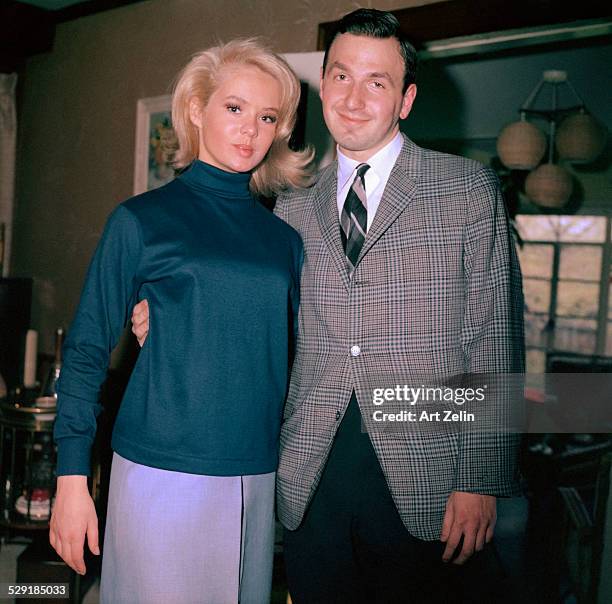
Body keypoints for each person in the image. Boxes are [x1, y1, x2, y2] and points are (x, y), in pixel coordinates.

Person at [133, 8, 525, 602]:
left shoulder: (466, 188)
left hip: (426, 480)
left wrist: (480, 481)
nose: (354, 96)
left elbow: (493, 338)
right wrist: (172, 319)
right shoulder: (291, 203)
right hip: (309, 476)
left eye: (378, 82)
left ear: (406, 99)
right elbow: (267, 328)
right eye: (341, 76)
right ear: (323, 85)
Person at [50, 38, 312, 604]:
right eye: (235, 108)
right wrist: (71, 478)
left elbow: (287, 355)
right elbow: (89, 349)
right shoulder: (140, 221)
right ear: (197, 110)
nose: (250, 129)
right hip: (161, 470)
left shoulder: (285, 242)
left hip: (255, 471)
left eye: (267, 116)